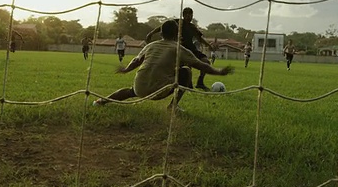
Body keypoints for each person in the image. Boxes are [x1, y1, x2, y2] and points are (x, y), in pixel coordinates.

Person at [93, 20, 234, 111]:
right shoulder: (179, 48)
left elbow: (137, 60)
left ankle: (101, 101)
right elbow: (200, 65)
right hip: (159, 91)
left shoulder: (150, 45)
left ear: (161, 33)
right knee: (186, 71)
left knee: (130, 91)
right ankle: (173, 106)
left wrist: (126, 69)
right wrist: (219, 72)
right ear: (177, 34)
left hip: (140, 87)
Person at [145, 7, 215, 91]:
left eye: (191, 15)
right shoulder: (177, 22)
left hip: (192, 49)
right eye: (187, 15)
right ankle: (188, 85)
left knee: (206, 62)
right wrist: (151, 33)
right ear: (183, 15)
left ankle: (200, 83)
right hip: (180, 49)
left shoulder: (192, 27)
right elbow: (162, 27)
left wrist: (209, 45)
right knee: (187, 67)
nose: (189, 17)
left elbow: (199, 38)